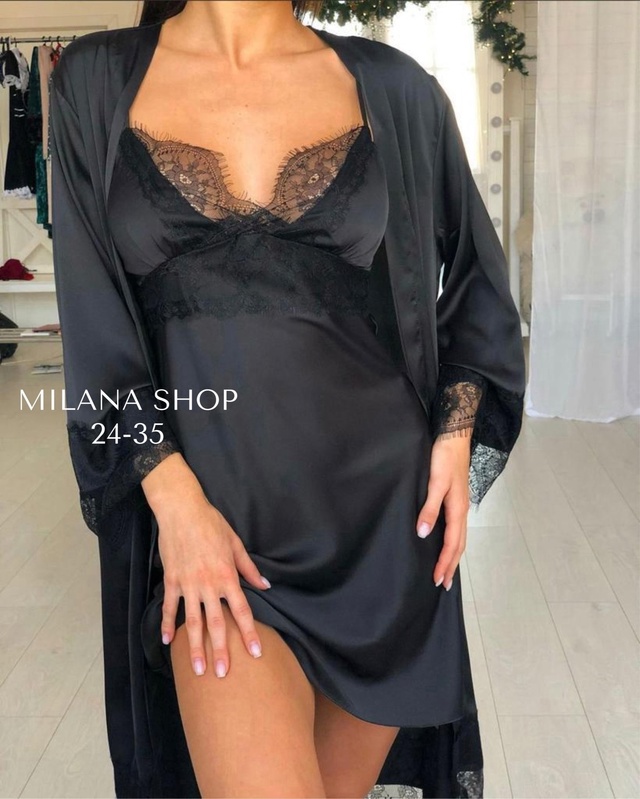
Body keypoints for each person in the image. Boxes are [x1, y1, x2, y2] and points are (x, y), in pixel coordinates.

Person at [48, 1, 526, 796]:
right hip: (217, 540)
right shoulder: (94, 84)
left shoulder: (397, 90)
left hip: (383, 538)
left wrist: (454, 430)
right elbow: (95, 326)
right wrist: (175, 503)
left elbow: (479, 281)